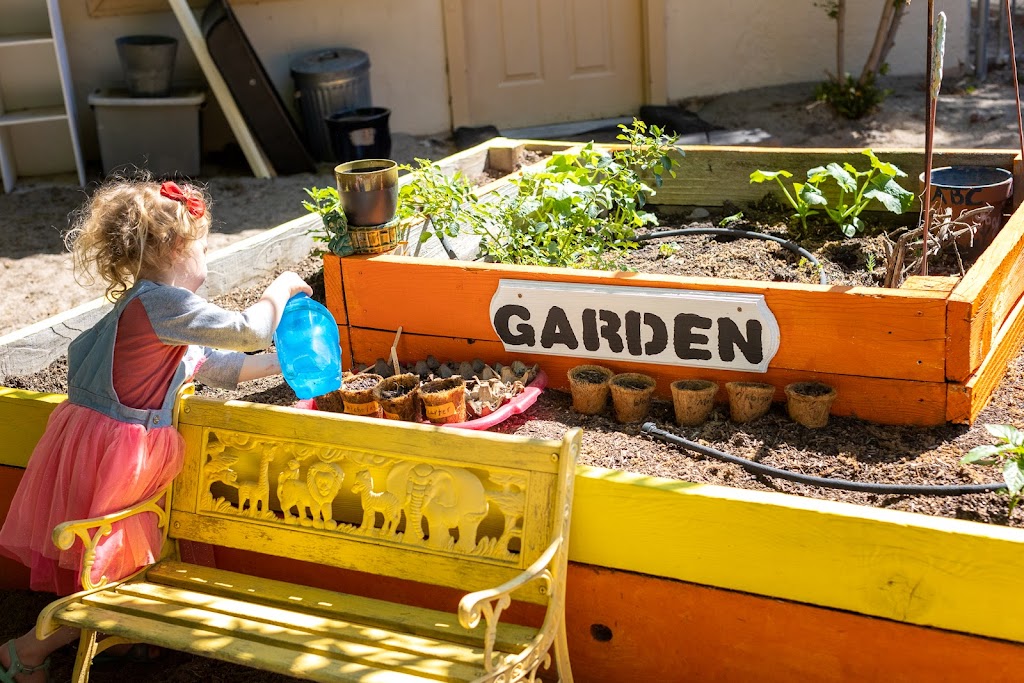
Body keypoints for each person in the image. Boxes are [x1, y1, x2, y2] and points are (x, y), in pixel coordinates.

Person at [0, 176, 312, 682]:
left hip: (103, 442)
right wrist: (284, 286)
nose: (206, 262)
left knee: (111, 563)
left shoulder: (152, 308)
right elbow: (247, 332)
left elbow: (213, 367)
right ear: (175, 247)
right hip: (120, 451)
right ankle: (27, 650)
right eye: (204, 247)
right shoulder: (160, 303)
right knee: (112, 573)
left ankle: (116, 640)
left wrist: (291, 362)